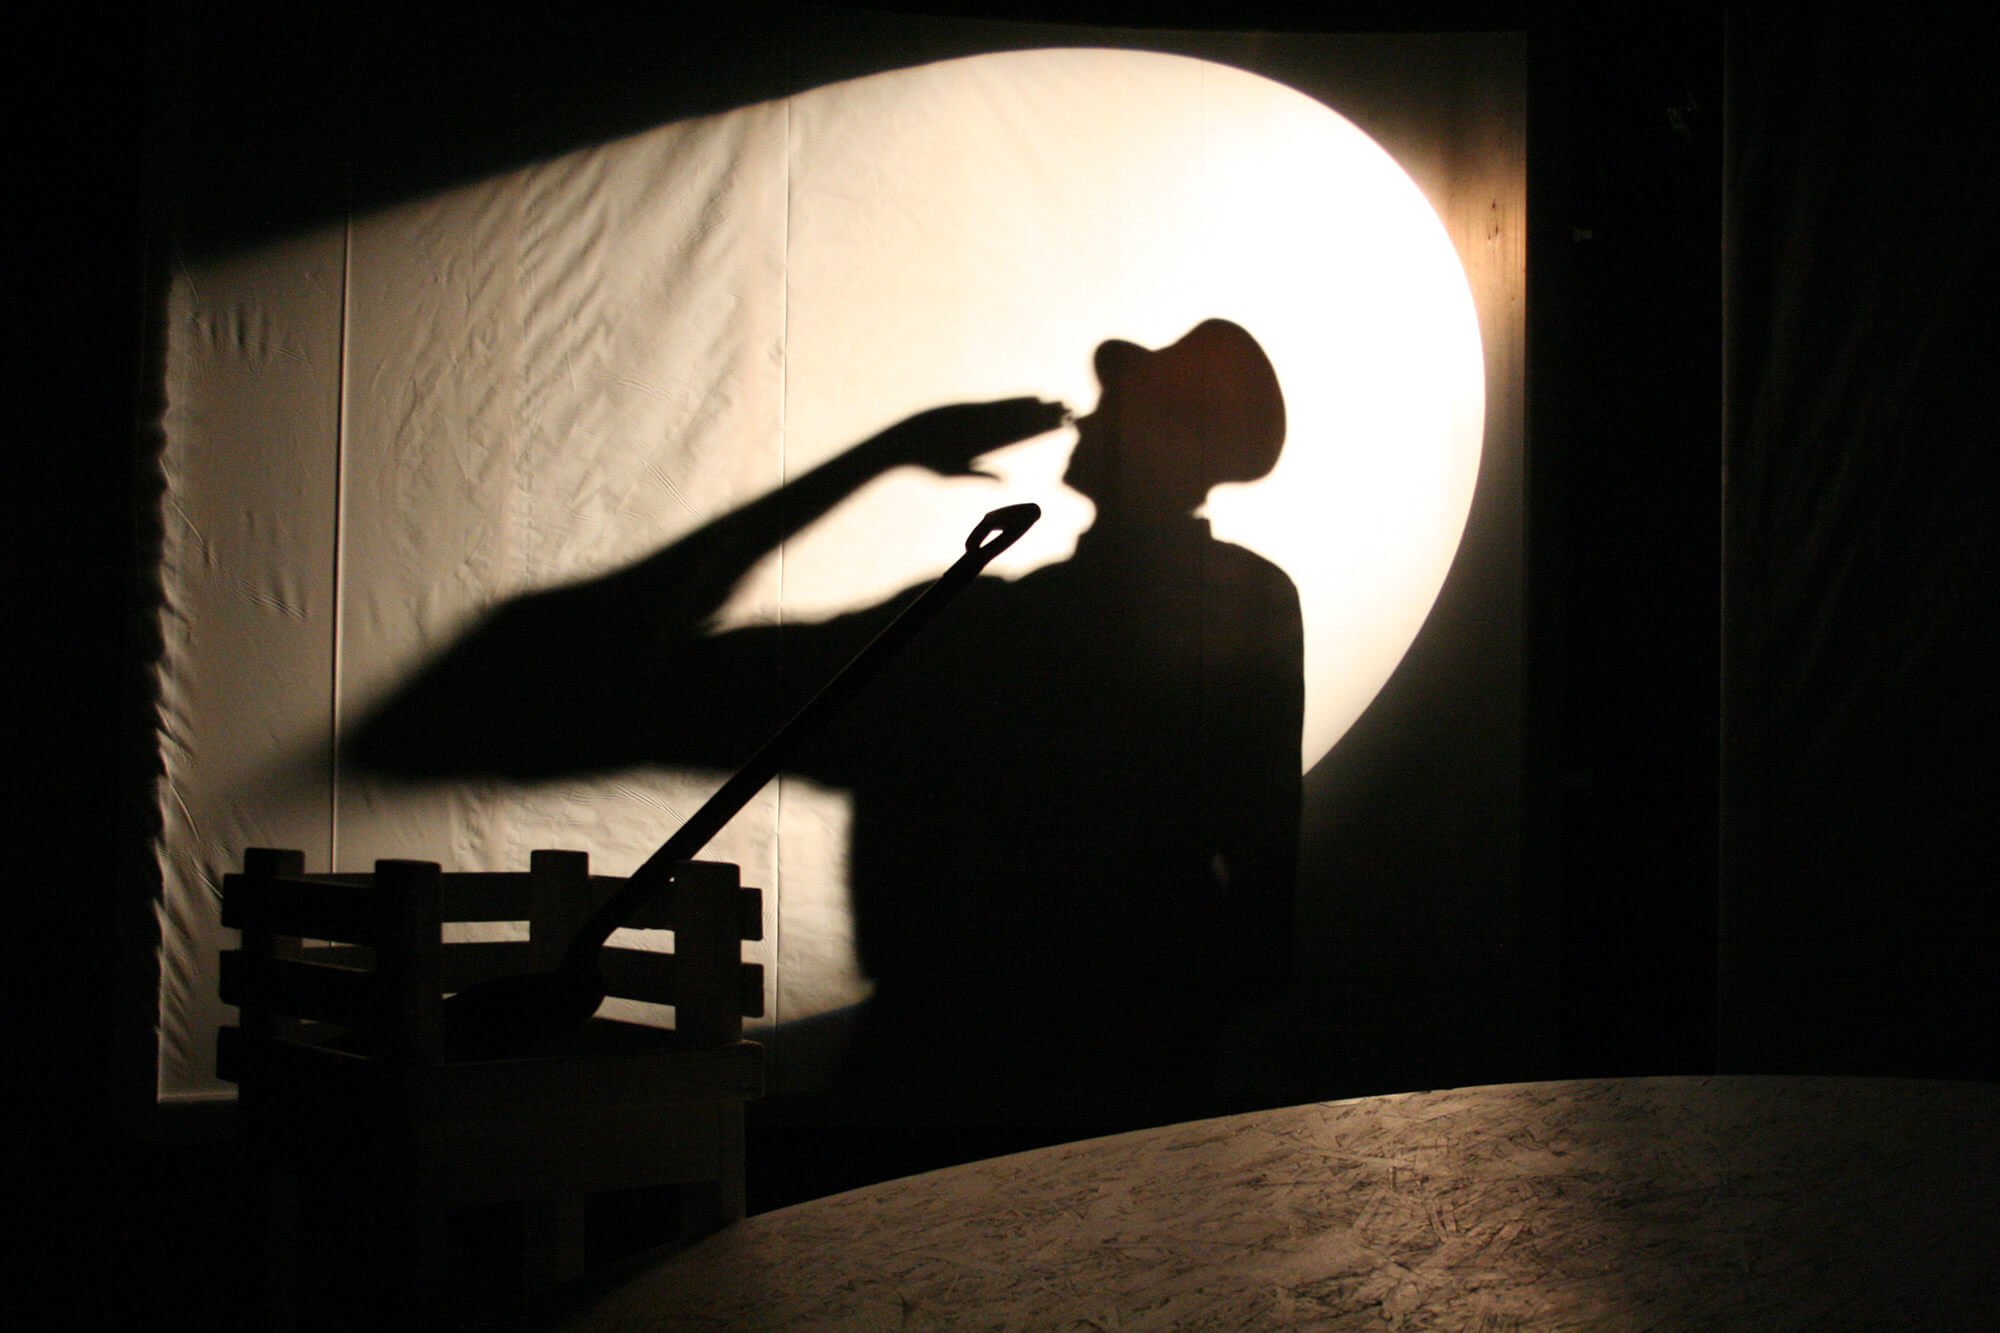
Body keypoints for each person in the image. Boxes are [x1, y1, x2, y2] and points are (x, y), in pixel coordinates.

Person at [349, 318, 1303, 1123]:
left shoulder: (984, 626)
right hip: (1118, 1075)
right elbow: (1264, 882)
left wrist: (889, 450)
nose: (1088, 413)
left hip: (957, 1078)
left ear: (1175, 439)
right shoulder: (1227, 601)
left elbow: (637, 661)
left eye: (1126, 399)